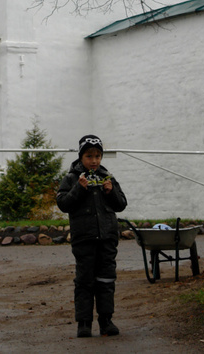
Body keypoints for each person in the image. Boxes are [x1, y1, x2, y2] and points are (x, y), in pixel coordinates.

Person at [56, 134, 128, 338]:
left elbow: (121, 204)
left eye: (98, 156)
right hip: (84, 239)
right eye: (89, 156)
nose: (94, 160)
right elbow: (63, 204)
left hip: (107, 238)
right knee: (84, 280)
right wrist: (79, 188)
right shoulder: (72, 178)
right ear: (81, 157)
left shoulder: (108, 177)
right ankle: (84, 323)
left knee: (106, 279)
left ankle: (106, 320)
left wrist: (110, 191)